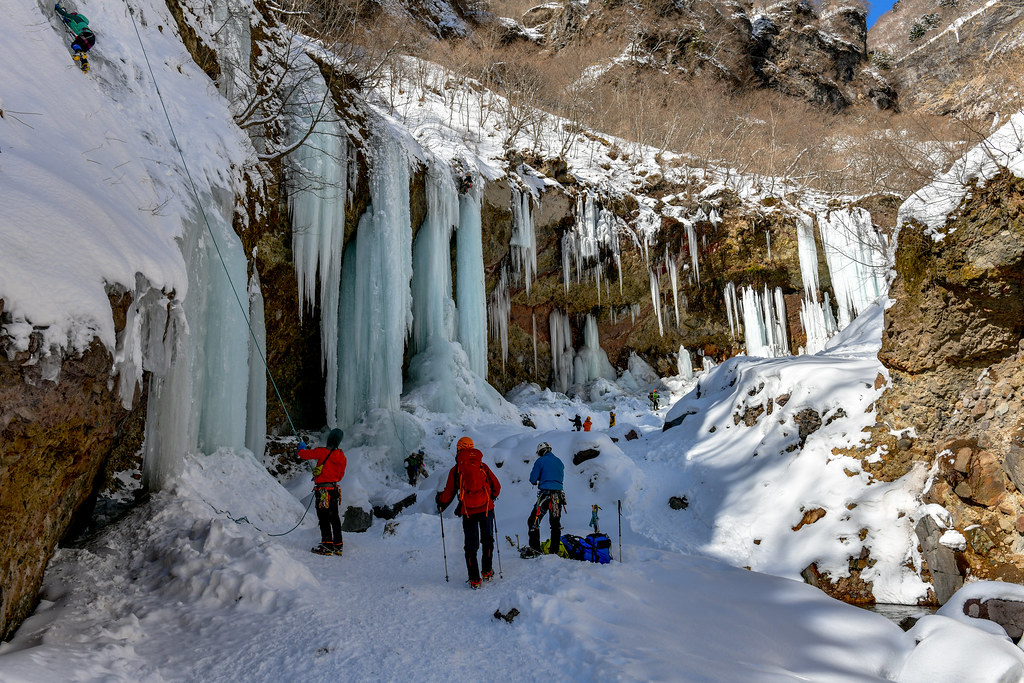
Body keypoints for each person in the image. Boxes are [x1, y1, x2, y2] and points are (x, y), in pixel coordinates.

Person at [436, 437, 501, 589]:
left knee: (471, 546)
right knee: (487, 540)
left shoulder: (456, 469)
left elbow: (448, 493)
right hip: (486, 508)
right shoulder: (482, 466)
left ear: (458, 450)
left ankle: (474, 579)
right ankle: (486, 572)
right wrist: (491, 497)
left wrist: (440, 501)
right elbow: (496, 486)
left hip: (468, 510)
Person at [298, 429, 347, 556]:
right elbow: (340, 476)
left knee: (324, 518)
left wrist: (301, 448)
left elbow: (304, 455)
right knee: (334, 517)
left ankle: (327, 545)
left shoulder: (321, 452)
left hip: (323, 491)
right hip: (334, 490)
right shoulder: (342, 457)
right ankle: (338, 545)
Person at [527, 442, 565, 555]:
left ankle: (535, 549)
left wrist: (537, 480)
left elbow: (533, 479)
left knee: (533, 521)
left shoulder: (541, 461)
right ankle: (554, 550)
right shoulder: (559, 462)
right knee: (555, 524)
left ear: (541, 452)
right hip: (557, 497)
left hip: (545, 496)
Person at [55, 4, 96, 69]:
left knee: (75, 44)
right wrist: (66, 21)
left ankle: (80, 54)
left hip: (86, 34)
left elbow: (63, 13)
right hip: (92, 38)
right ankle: (85, 64)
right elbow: (69, 23)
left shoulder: (76, 17)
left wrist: (57, 7)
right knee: (81, 50)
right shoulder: (79, 22)